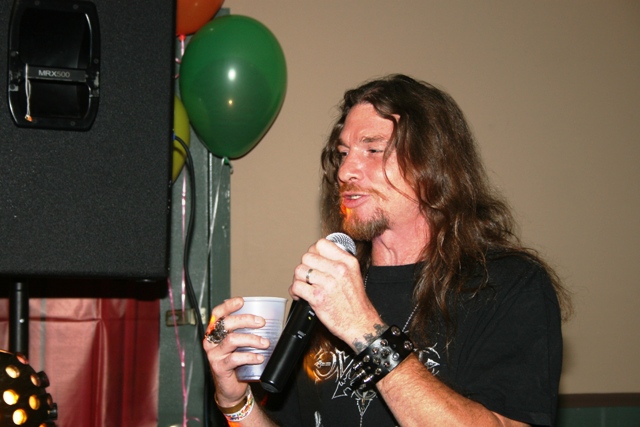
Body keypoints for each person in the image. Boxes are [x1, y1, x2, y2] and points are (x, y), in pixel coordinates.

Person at [203, 74, 572, 426]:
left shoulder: (508, 286)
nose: (345, 171)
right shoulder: (329, 289)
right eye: (343, 153)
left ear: (432, 162)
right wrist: (235, 401)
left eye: (373, 149)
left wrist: (365, 331)